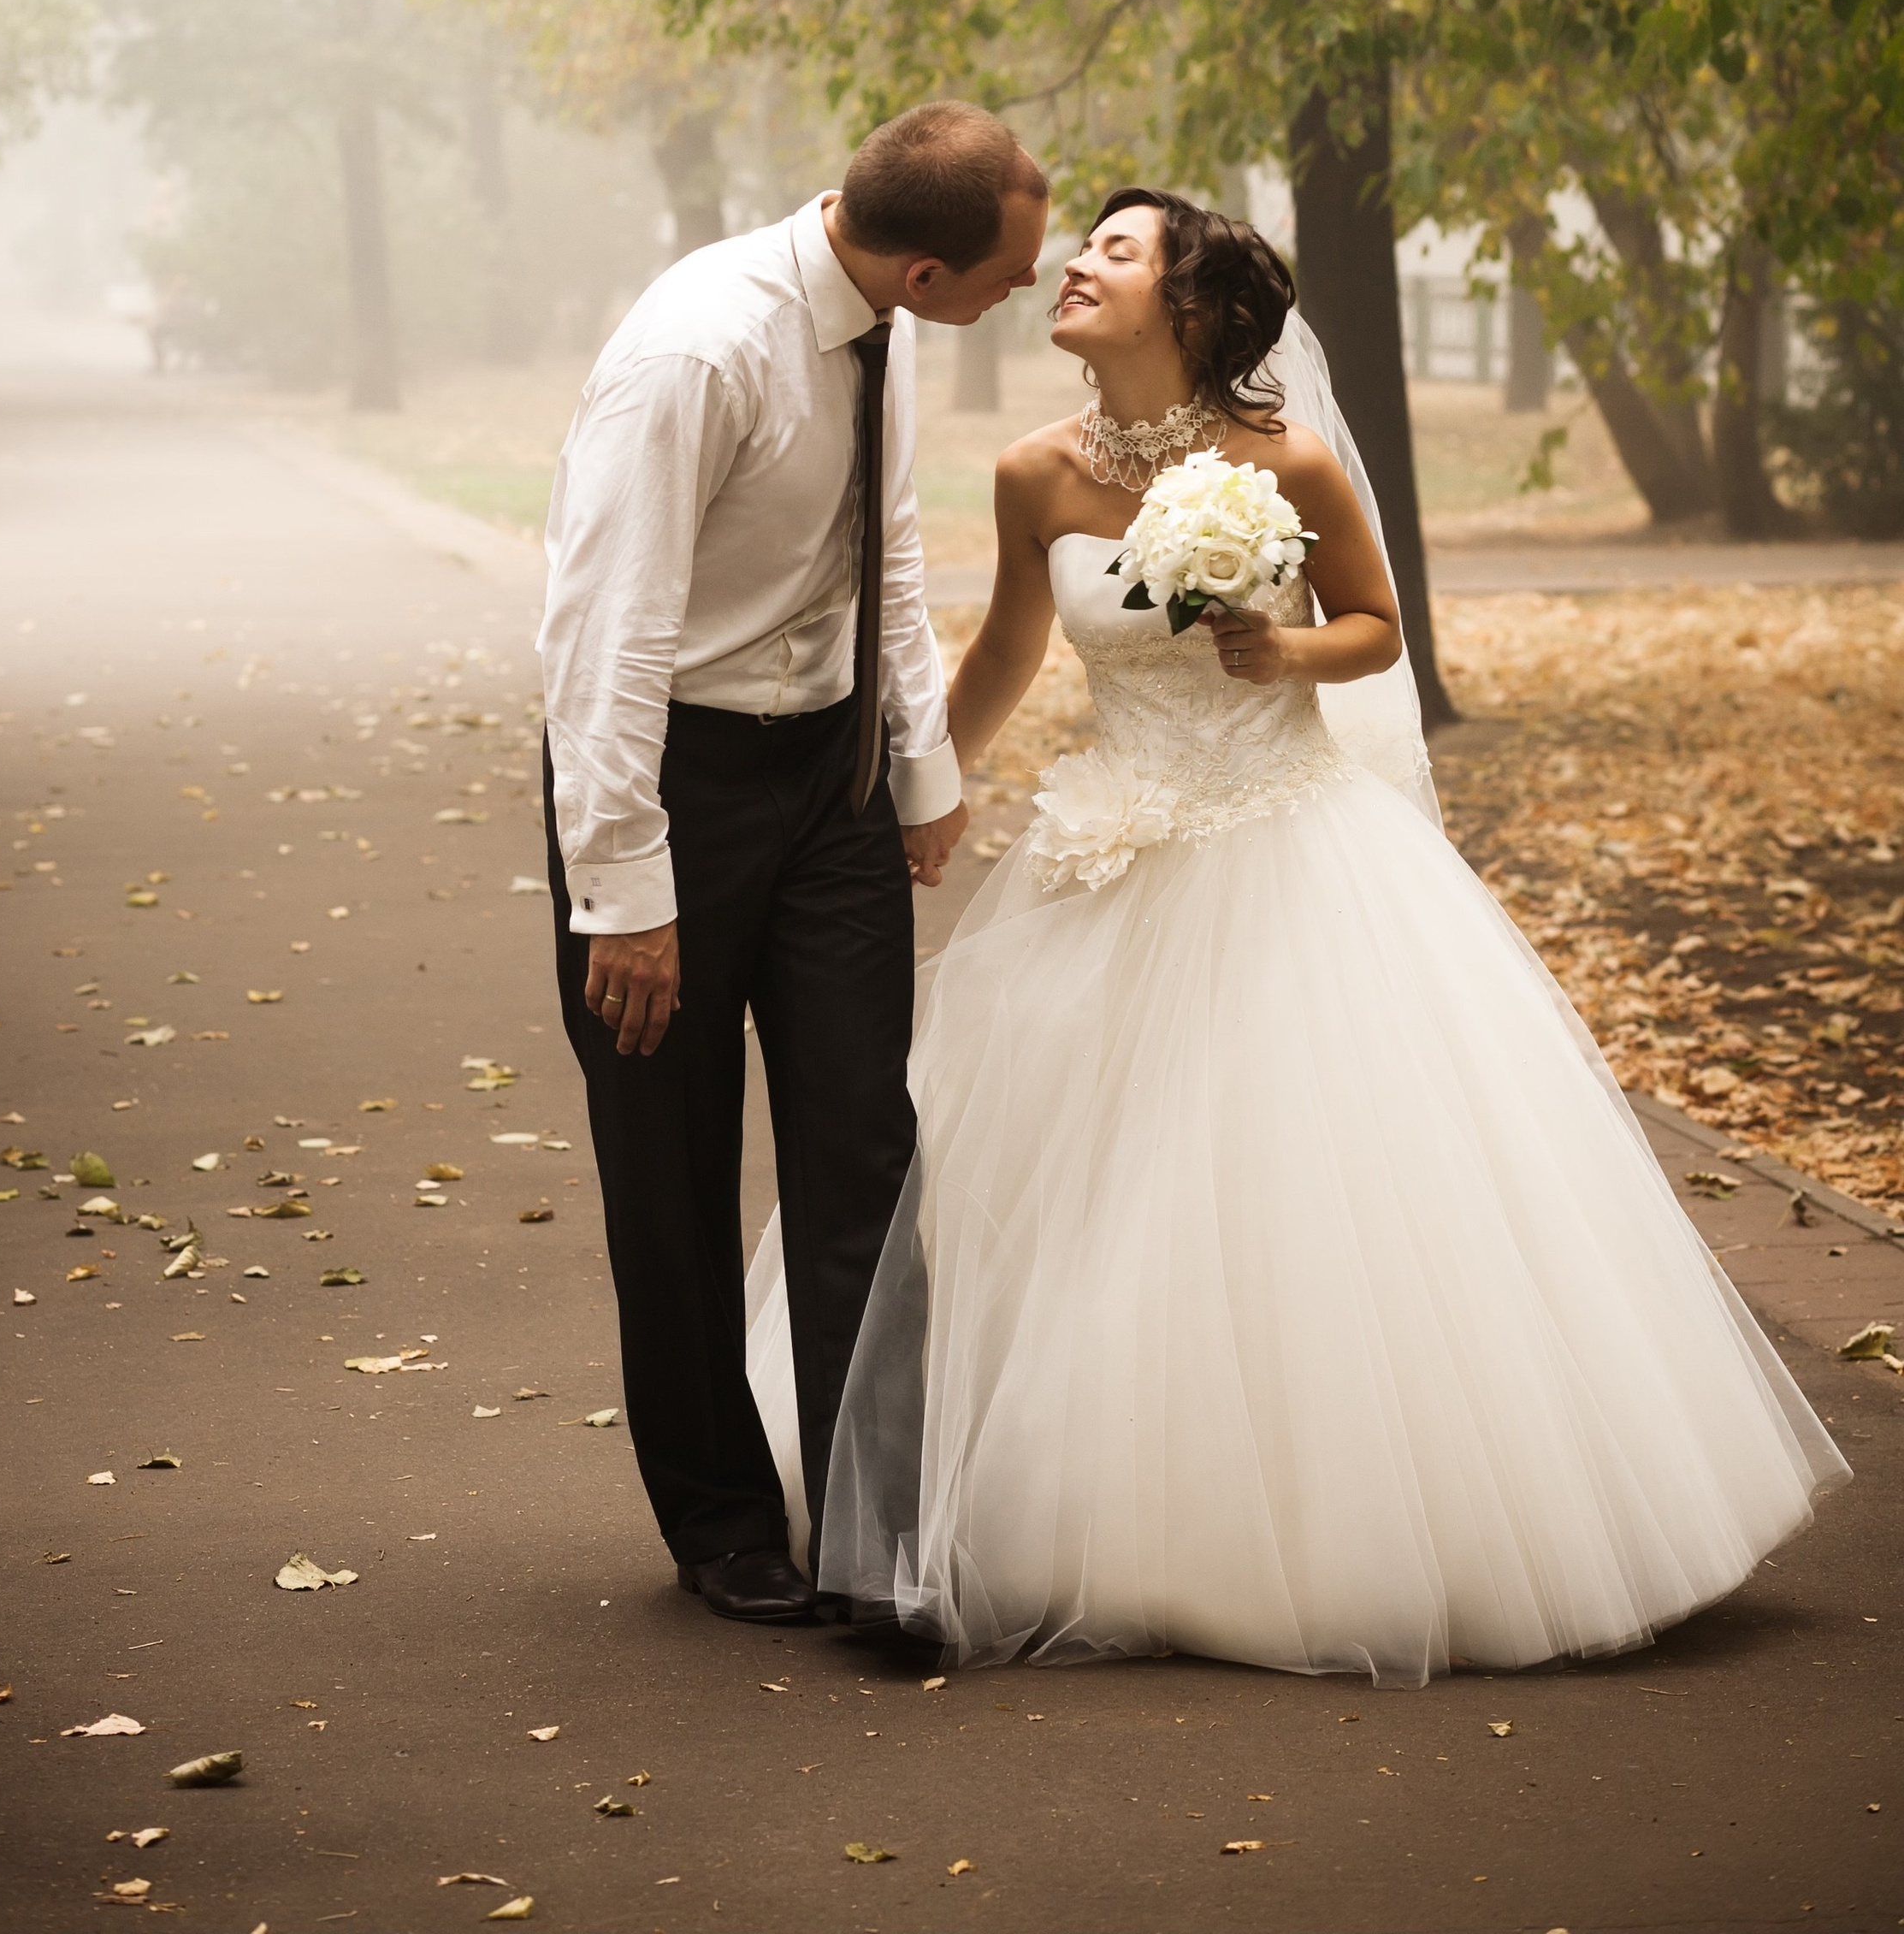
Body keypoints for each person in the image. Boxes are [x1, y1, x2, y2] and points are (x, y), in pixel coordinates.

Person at [749, 189, 1848, 1678]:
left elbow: (1377, 627)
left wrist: (1287, 650)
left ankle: (1334, 1521)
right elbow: (1010, 646)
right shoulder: (1033, 473)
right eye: (1082, 249)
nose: (1075, 264)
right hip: (1113, 849)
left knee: (1296, 1183)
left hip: (1286, 848)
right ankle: (1078, 1501)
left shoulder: (1288, 461)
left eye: (1117, 252)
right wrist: (911, 790)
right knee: (1082, 1186)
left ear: (1191, 308)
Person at [540, 102, 1050, 1624]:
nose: (1028, 288)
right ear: (921, 265)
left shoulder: (881, 324)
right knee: (673, 1173)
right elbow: (604, 635)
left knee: (864, 1154)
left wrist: (918, 770)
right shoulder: (699, 352)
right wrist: (624, 891)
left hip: (826, 783)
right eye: (1008, 270)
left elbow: (877, 555)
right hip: (671, 789)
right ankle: (721, 1526)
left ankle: (878, 1537)